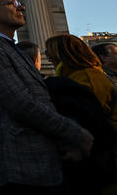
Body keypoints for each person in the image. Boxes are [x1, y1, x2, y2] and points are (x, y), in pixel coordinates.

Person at [0, 0, 93, 195]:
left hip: (40, 160)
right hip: (22, 165)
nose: (22, 7)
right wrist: (75, 133)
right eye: (13, 4)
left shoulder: (7, 47)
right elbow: (22, 104)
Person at [44, 34, 117, 194]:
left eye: (49, 52)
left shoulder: (88, 77)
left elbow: (91, 121)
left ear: (61, 53)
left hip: (100, 157)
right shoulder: (73, 76)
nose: (47, 56)